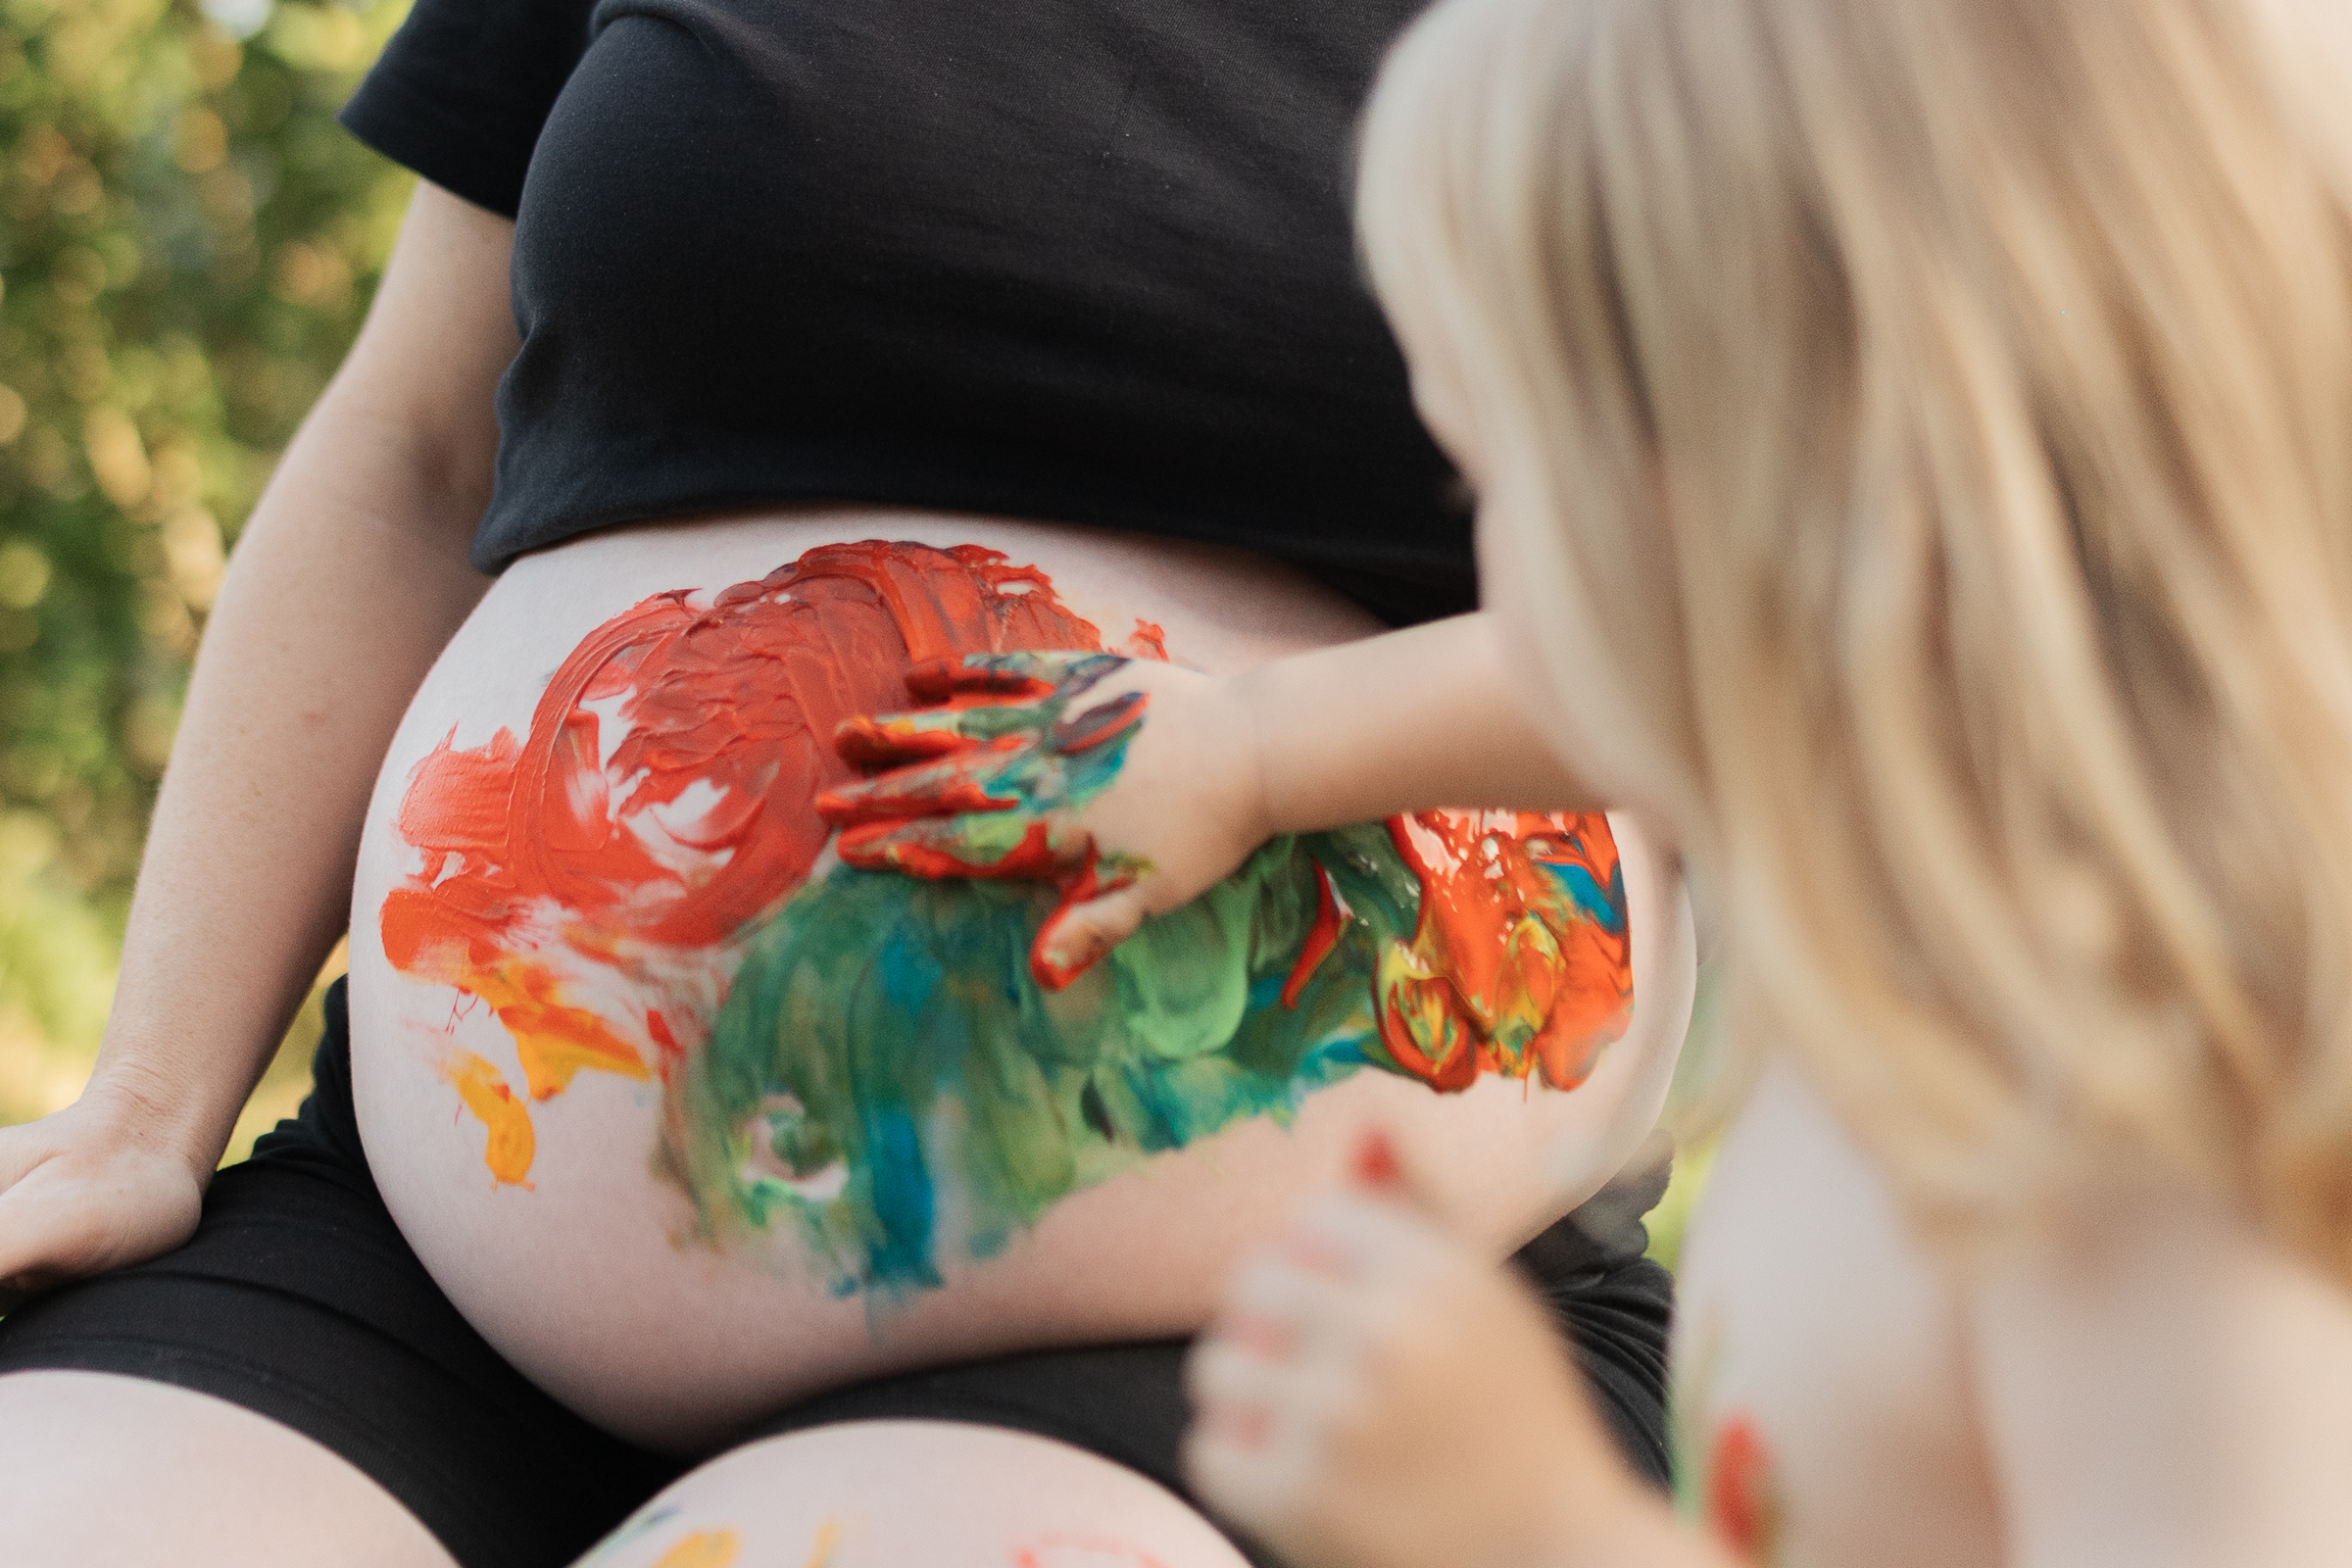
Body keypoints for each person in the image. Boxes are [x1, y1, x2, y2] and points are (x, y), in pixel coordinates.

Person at [0, 3, 1696, 1566]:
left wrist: (1267, 756)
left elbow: (1844, 600)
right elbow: (408, 451)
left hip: (1319, 1334)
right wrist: (147, 1105)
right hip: (443, 1261)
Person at [862, 0, 2352, 1562]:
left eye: (1496, 477)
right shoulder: (1941, 1053)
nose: (1486, 566)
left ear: (1758, 525)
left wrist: (1548, 1524)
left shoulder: (2158, 1161)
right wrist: (1252, 753)